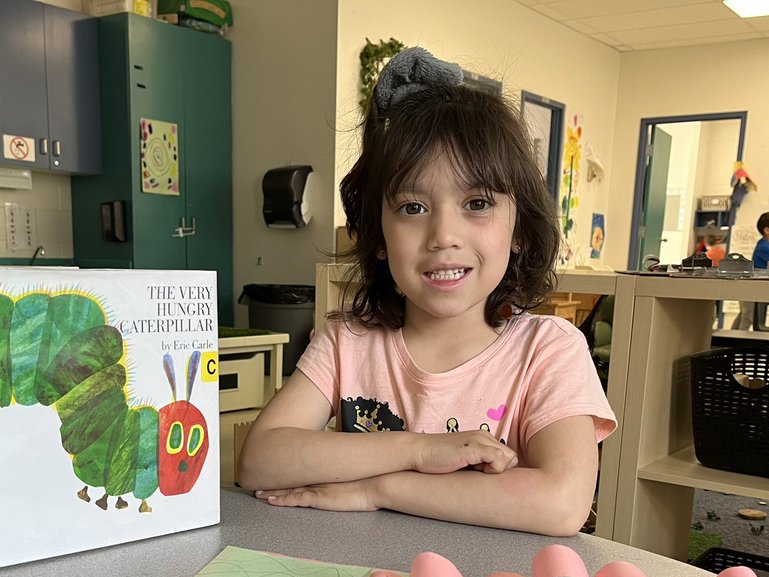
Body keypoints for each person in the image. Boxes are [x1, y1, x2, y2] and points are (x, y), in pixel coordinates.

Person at [236, 47, 616, 535]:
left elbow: (563, 503)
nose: (443, 235)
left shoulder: (548, 350)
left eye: (477, 202)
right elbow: (261, 461)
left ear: (519, 230)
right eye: (413, 208)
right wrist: (419, 449)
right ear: (378, 236)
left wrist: (380, 489)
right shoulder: (347, 342)